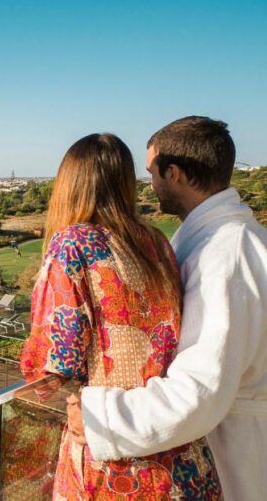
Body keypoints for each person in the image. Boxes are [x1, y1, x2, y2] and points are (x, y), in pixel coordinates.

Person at [67, 117, 267, 499]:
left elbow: (199, 391)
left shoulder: (225, 258)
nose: (150, 185)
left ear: (174, 173)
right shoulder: (236, 239)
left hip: (234, 456)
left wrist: (99, 417)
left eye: (152, 173)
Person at [20, 133, 223, 498]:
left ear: (69, 184)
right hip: (180, 456)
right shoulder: (156, 242)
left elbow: (53, 365)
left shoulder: (72, 245)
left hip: (112, 459)